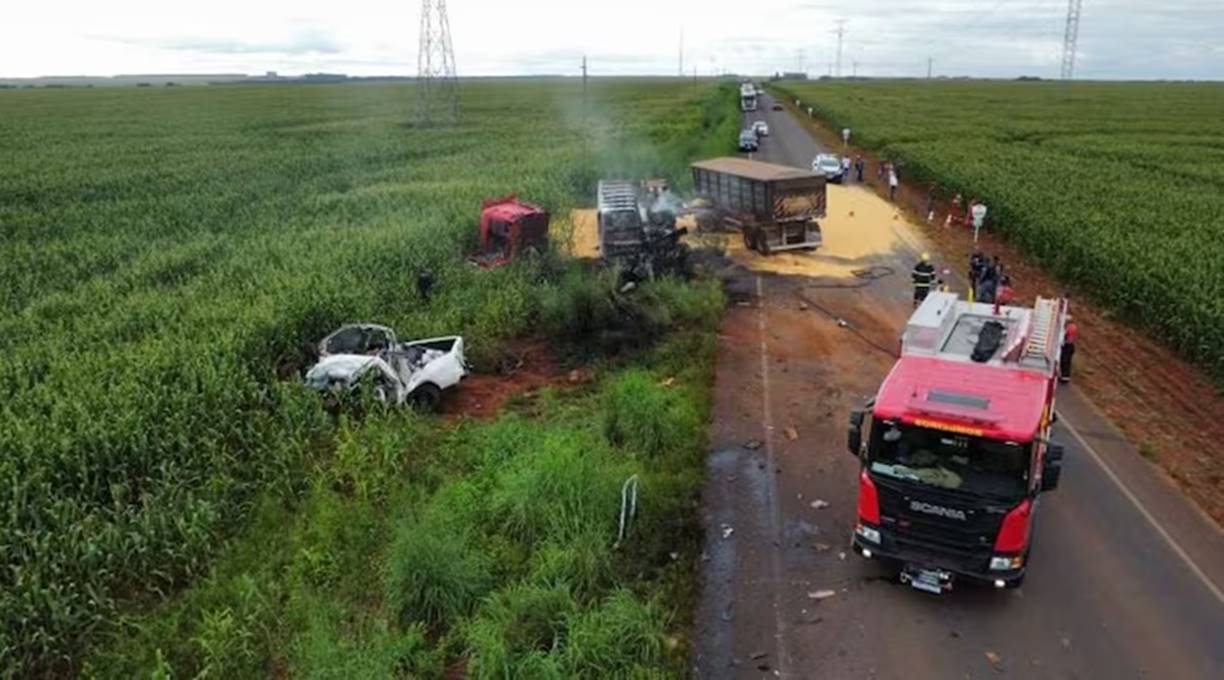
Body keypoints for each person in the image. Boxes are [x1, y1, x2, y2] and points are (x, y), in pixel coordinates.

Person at [1060, 316, 1079, 383]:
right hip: (1070, 347)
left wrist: (1062, 343)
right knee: (1067, 362)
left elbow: (1068, 337)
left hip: (1067, 346)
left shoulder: (1070, 327)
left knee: (1064, 361)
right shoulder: (1073, 326)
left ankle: (1064, 377)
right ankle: (1065, 377)